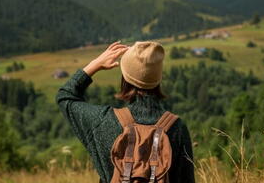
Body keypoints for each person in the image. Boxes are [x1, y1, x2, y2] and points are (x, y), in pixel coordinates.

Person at [56, 41, 195, 183]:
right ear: (158, 79)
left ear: (125, 77)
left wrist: (96, 64)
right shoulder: (177, 128)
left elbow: (65, 96)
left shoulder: (103, 121)